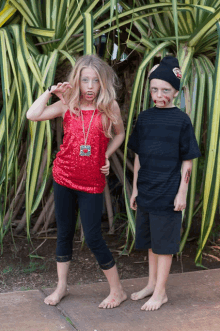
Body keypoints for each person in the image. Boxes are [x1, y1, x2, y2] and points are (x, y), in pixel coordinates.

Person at [26, 54, 127, 309]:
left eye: (95, 80)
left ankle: (118, 290)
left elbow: (120, 134)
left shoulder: (109, 107)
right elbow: (32, 114)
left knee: (93, 237)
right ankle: (61, 287)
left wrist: (106, 153)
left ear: (103, 82)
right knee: (65, 232)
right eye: (85, 80)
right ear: (77, 82)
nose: (90, 87)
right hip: (64, 177)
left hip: (92, 182)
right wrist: (50, 92)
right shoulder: (68, 104)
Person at [128, 56, 201, 311]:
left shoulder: (181, 121)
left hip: (168, 193)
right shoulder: (145, 118)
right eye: (154, 89)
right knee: (150, 242)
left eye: (166, 90)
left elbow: (188, 161)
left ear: (176, 91)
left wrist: (182, 192)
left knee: (164, 246)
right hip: (146, 190)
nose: (159, 95)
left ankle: (161, 292)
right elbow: (138, 156)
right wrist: (135, 189)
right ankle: (150, 284)